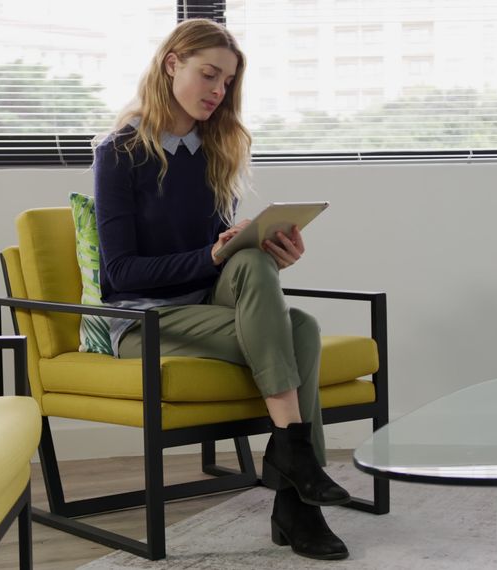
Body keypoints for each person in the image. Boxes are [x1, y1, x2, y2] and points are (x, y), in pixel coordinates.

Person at [92, 19, 351, 561]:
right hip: (145, 321)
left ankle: (293, 473)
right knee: (297, 330)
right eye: (209, 75)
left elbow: (225, 267)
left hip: (207, 310)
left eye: (228, 82)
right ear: (171, 65)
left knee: (278, 289)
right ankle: (299, 489)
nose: (219, 90)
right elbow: (120, 274)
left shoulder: (214, 150)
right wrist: (213, 255)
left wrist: (270, 254)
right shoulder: (120, 153)